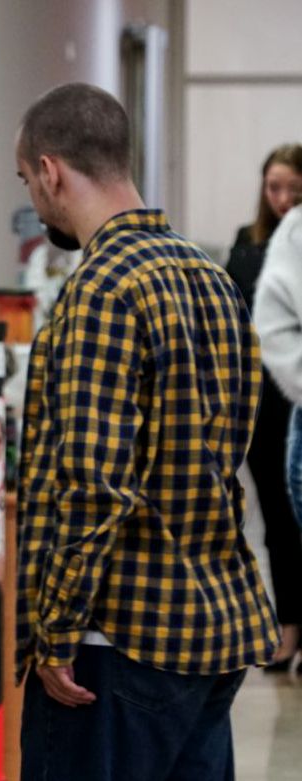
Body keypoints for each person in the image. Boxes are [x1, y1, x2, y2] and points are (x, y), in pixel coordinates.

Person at [15, 82, 278, 780]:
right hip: (211, 625)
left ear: (50, 171)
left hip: (116, 642)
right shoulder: (210, 277)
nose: (33, 197)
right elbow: (230, 449)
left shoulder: (102, 288)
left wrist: (55, 629)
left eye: (25, 180)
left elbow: (94, 483)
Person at [228, 144, 302, 671]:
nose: (281, 199)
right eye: (273, 188)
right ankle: (289, 625)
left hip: (294, 393)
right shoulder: (246, 243)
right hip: (261, 402)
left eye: (293, 189)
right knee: (277, 518)